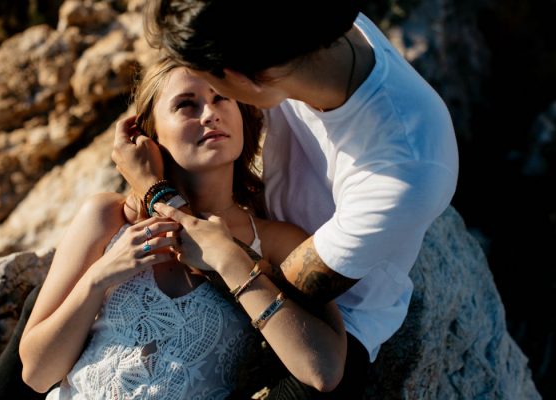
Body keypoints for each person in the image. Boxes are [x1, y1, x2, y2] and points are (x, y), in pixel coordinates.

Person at [111, 0, 460, 396]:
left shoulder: (405, 170)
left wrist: (158, 192)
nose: (211, 106)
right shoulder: (299, 28)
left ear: (245, 79)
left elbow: (270, 283)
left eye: (215, 87)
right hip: (251, 229)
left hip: (331, 314)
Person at [18, 57, 347, 399]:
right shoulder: (109, 217)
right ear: (149, 132)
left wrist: (229, 261)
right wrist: (99, 277)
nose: (209, 114)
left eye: (221, 97)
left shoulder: (277, 241)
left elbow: (322, 370)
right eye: (186, 105)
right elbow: (38, 374)